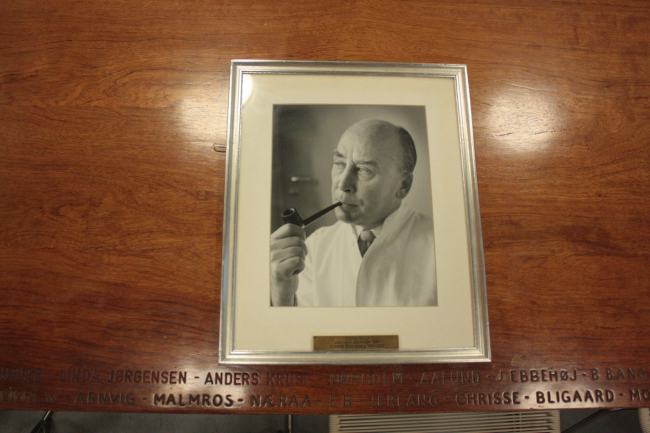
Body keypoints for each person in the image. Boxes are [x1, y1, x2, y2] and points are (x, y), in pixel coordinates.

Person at [270, 119, 435, 307]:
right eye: (339, 163)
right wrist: (282, 291)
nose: (343, 183)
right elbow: (298, 333)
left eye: (364, 170)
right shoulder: (314, 248)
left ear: (403, 185)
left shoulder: (439, 247)